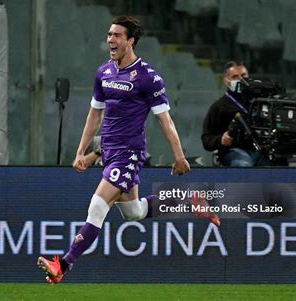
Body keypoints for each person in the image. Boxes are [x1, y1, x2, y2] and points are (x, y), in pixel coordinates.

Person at [37, 16, 193, 285]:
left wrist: (179, 157)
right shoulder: (104, 73)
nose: (111, 39)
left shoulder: (148, 77)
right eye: (109, 34)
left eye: (117, 35)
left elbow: (164, 120)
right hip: (108, 151)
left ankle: (63, 264)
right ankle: (188, 200)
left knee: (97, 206)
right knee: (134, 212)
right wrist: (80, 151)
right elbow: (94, 115)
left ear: (130, 41)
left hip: (129, 152)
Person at [201, 61, 264, 167]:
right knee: (242, 165)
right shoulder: (219, 107)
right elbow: (206, 139)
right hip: (233, 151)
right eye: (235, 77)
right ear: (227, 81)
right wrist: (221, 139)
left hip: (262, 150)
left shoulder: (260, 101)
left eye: (244, 75)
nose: (241, 80)